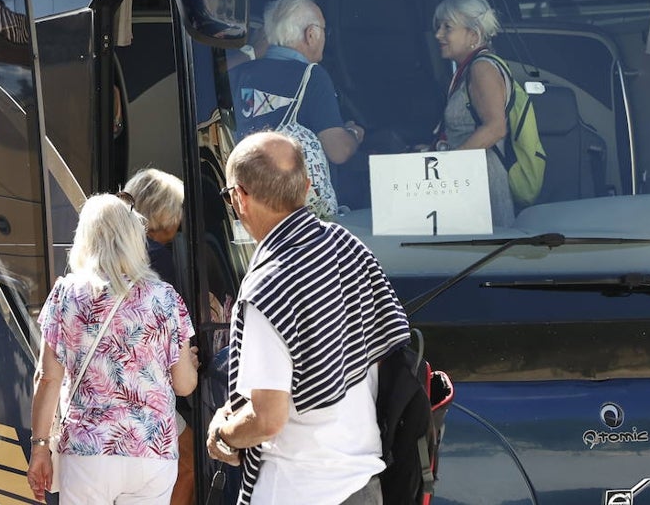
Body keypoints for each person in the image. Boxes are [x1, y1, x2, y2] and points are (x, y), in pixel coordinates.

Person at [206, 131, 410, 505]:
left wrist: (224, 433)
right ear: (308, 186)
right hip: (364, 483)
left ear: (240, 198)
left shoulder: (268, 287)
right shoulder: (348, 248)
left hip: (298, 489)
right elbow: (385, 349)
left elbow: (268, 419)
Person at [27, 193, 199, 504]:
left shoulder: (66, 294)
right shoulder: (165, 297)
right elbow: (185, 385)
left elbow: (47, 378)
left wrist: (40, 445)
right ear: (135, 238)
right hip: (152, 450)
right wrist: (191, 365)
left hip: (87, 451)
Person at [231, 0, 364, 214]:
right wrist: (353, 134)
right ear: (310, 34)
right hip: (295, 209)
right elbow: (338, 151)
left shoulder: (239, 73)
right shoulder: (312, 76)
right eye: (323, 30)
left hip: (249, 203)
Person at [122, 168, 196, 505]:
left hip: (108, 397)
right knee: (190, 455)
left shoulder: (118, 249)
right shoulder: (157, 257)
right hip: (145, 391)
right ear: (164, 213)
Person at [432, 0, 514, 228]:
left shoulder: (482, 68)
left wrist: (444, 167)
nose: (438, 35)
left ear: (473, 33)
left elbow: (495, 128)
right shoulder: (469, 69)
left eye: (447, 27)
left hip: (483, 187)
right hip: (472, 184)